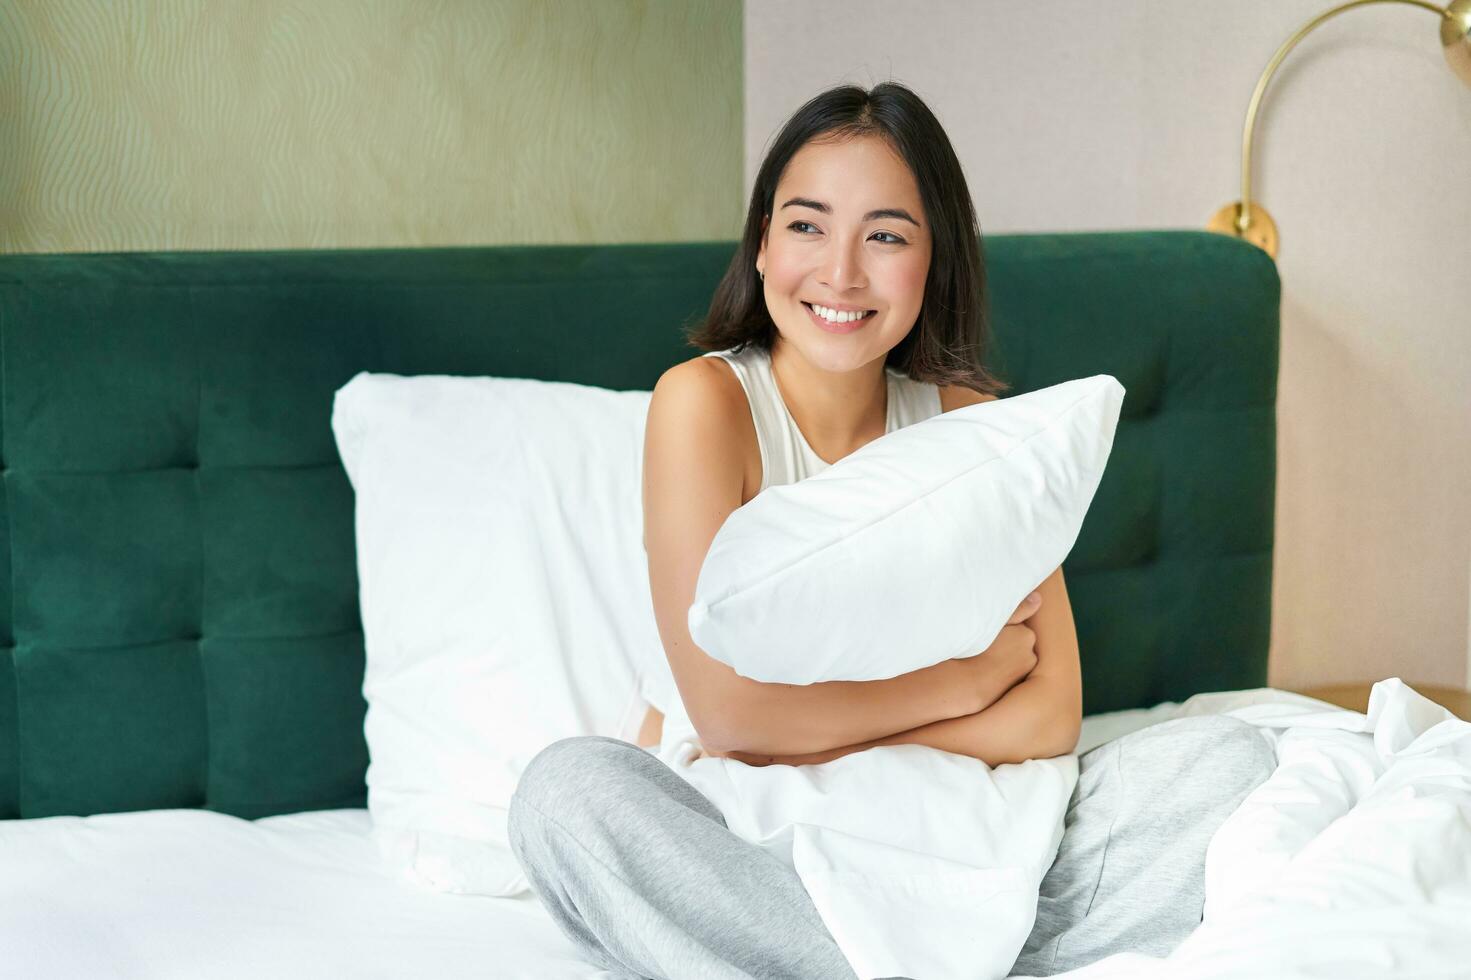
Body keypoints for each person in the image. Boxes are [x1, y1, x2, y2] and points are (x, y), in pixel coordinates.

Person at [508, 82, 1275, 979]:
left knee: (1232, 760)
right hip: (754, 843)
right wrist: (961, 683)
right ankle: (945, 956)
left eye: (884, 234)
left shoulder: (971, 423)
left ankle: (871, 955)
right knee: (563, 797)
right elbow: (725, 718)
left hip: (963, 828)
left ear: (931, 259)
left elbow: (1050, 715)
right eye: (805, 225)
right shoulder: (705, 404)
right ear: (760, 243)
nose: (840, 272)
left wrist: (810, 731)